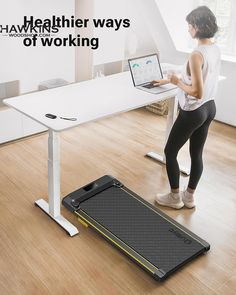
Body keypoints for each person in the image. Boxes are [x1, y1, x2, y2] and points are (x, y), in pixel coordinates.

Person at [154, 6, 221, 209]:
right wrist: (169, 79)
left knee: (170, 151)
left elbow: (196, 91)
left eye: (190, 25)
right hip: (210, 107)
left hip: (194, 110)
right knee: (196, 154)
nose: (188, 29)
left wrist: (176, 82)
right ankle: (189, 197)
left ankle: (174, 197)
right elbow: (201, 78)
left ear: (198, 27)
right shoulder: (214, 48)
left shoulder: (196, 54)